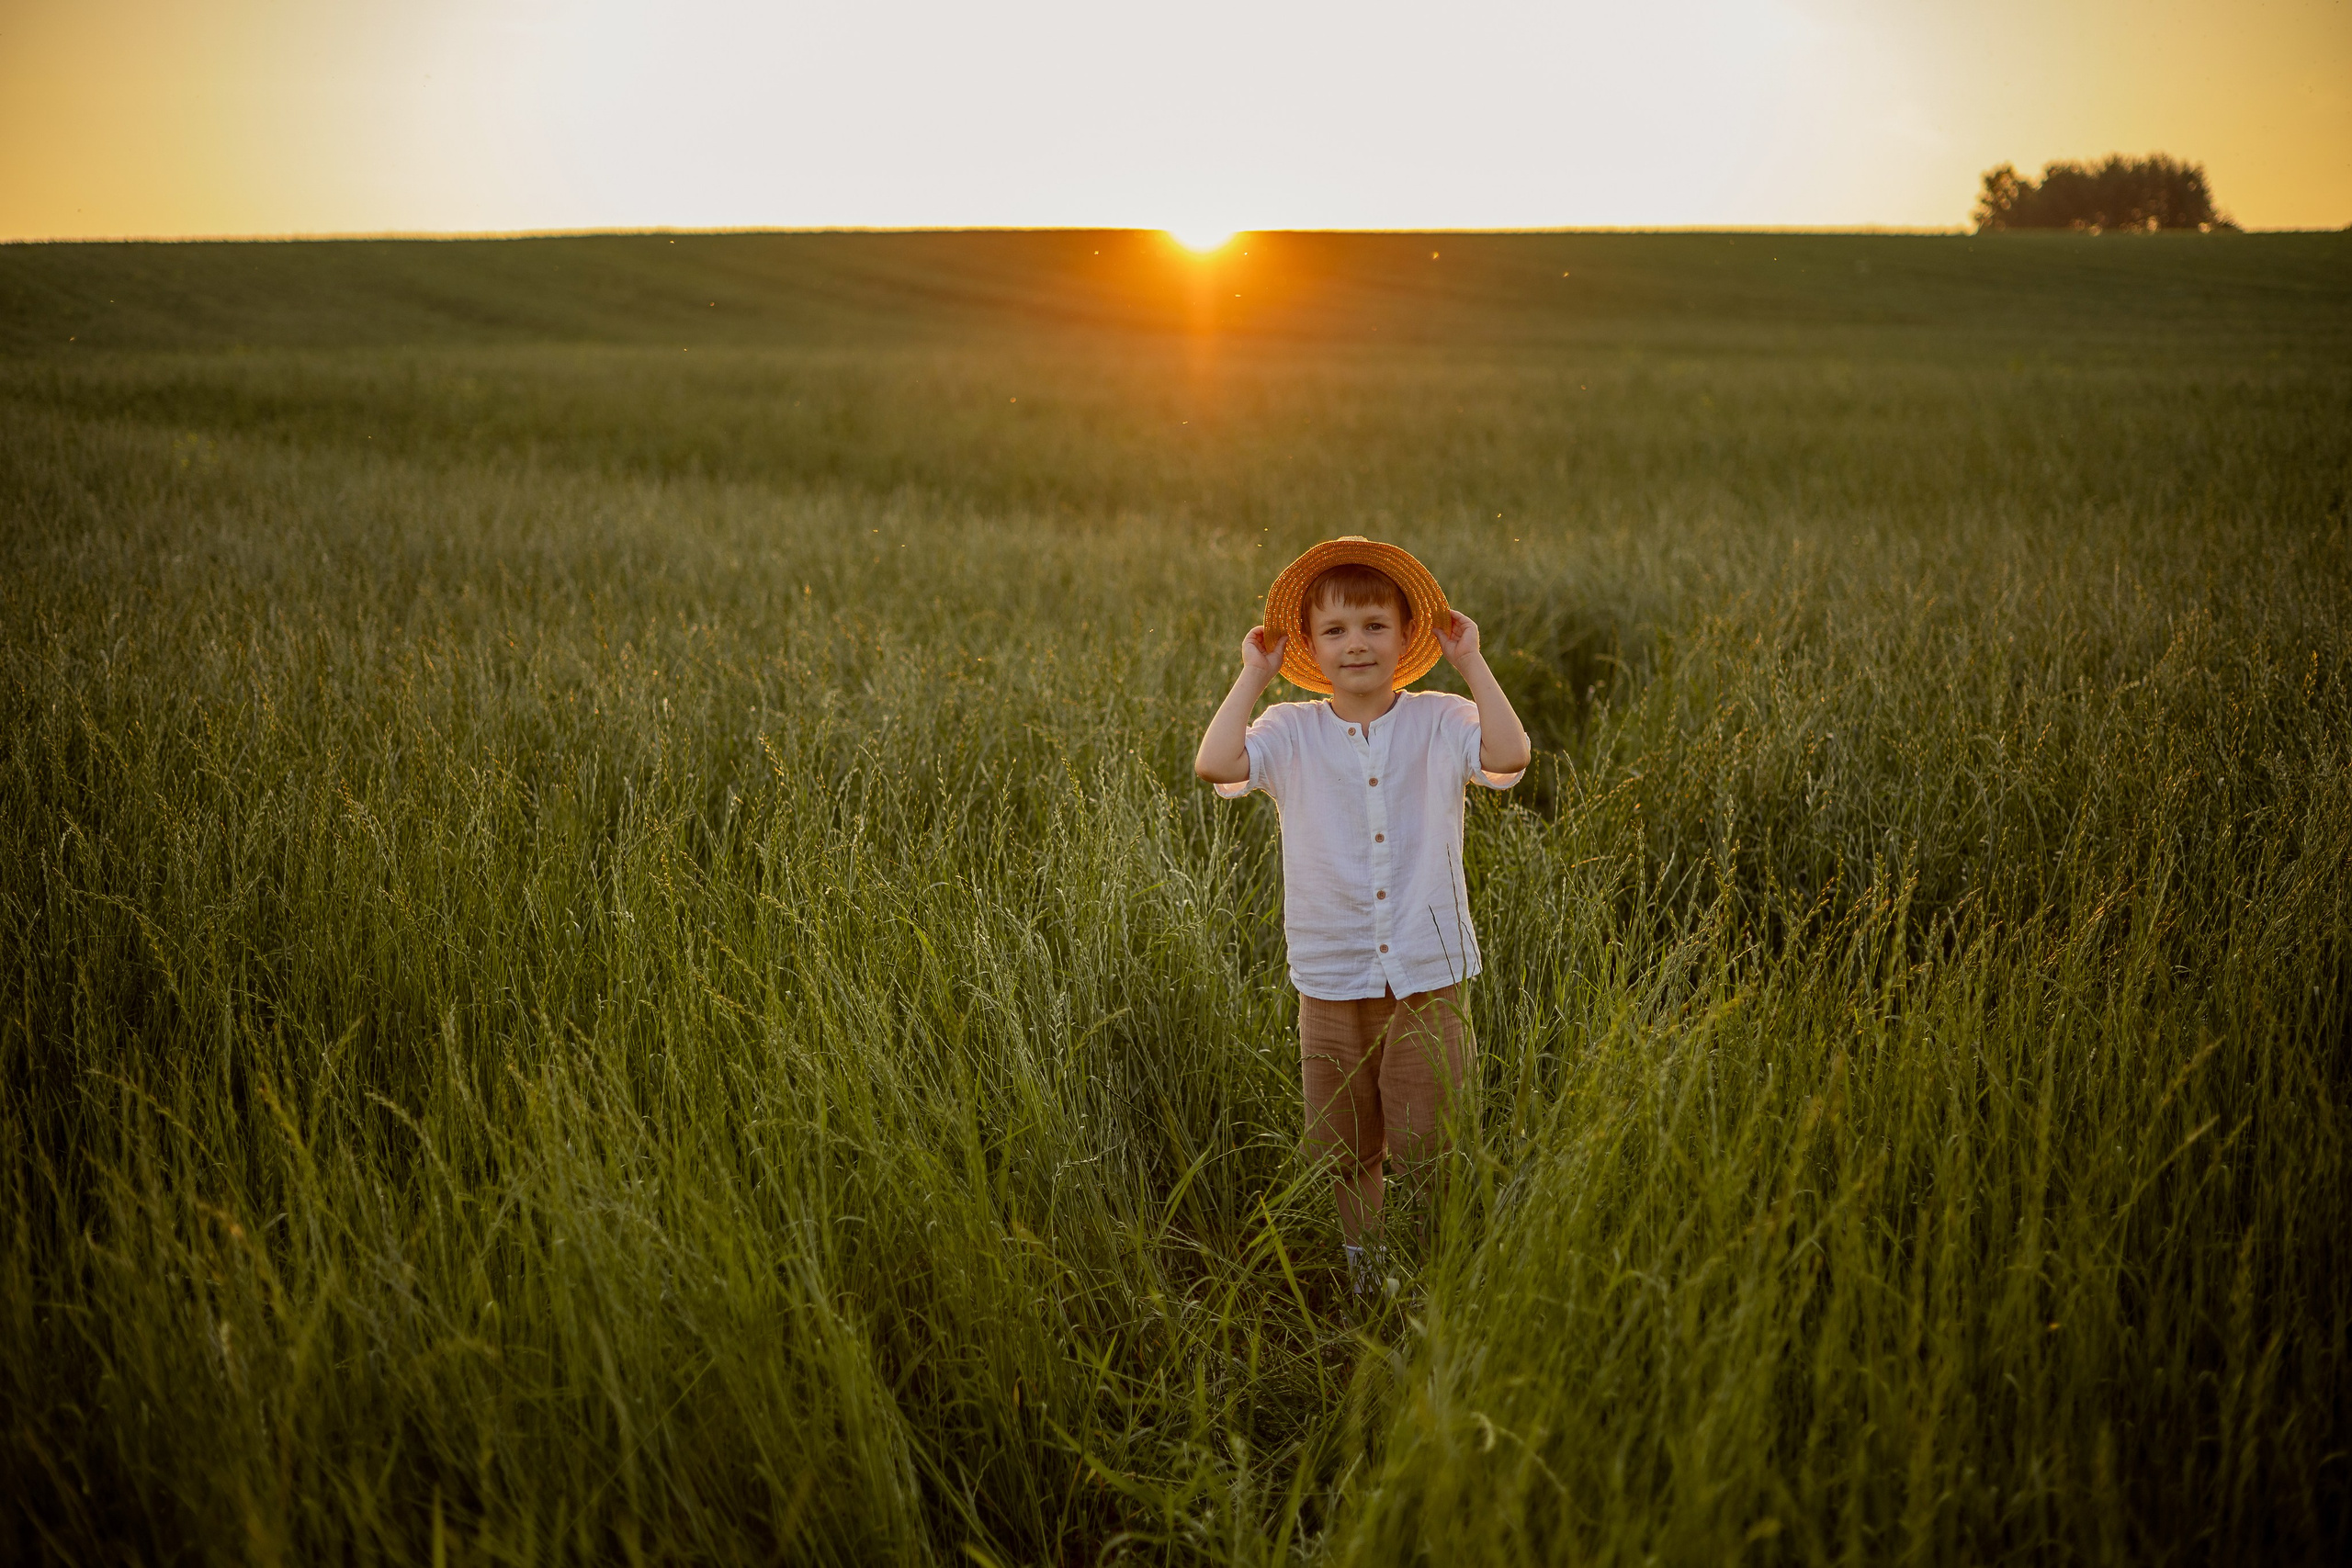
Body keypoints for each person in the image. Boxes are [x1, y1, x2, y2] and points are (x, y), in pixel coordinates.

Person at [1194, 537, 1531, 1300]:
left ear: (1406, 636)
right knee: (1347, 1149)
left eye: (1376, 626)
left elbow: (1510, 756)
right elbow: (1216, 764)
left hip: (1427, 973)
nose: (1357, 645)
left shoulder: (1441, 720)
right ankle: (1366, 1273)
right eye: (1338, 630)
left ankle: (1440, 1272)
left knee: (1432, 1144)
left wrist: (1472, 661)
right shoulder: (1288, 730)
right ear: (1309, 644)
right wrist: (1253, 674)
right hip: (1332, 975)